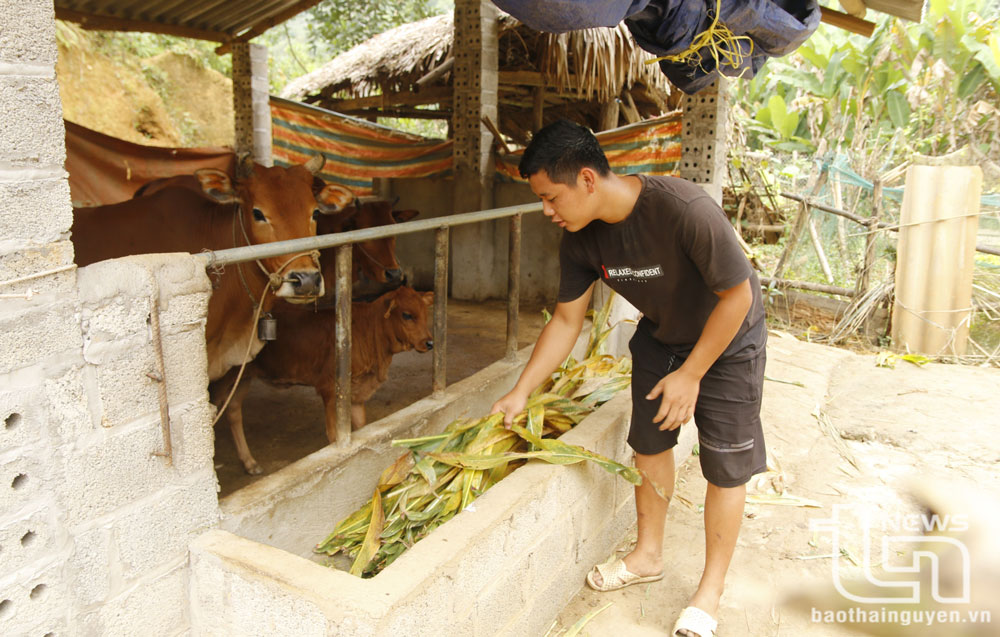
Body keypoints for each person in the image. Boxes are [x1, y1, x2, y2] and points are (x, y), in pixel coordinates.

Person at [489, 119, 767, 637]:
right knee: (648, 445)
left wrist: (693, 373)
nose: (546, 211)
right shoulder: (579, 241)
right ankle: (647, 556)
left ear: (588, 180)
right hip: (663, 338)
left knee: (726, 466)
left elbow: (739, 297)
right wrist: (521, 391)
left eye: (551, 198)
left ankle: (709, 591)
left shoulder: (683, 209)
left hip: (728, 340)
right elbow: (568, 321)